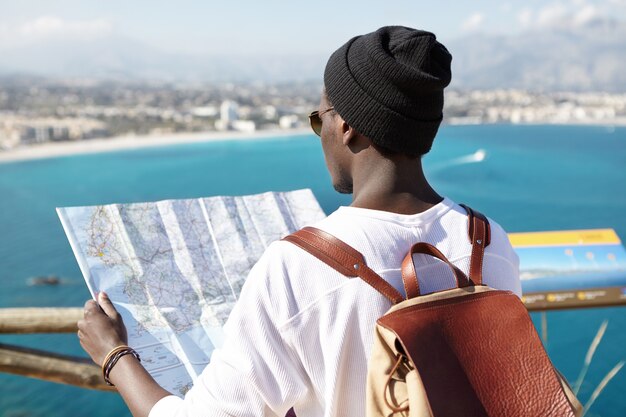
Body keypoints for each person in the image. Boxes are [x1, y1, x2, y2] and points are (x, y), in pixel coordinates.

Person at [77, 26, 520, 417]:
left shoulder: (298, 267)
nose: (319, 133)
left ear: (347, 126)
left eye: (318, 119)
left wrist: (114, 354)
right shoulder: (488, 240)